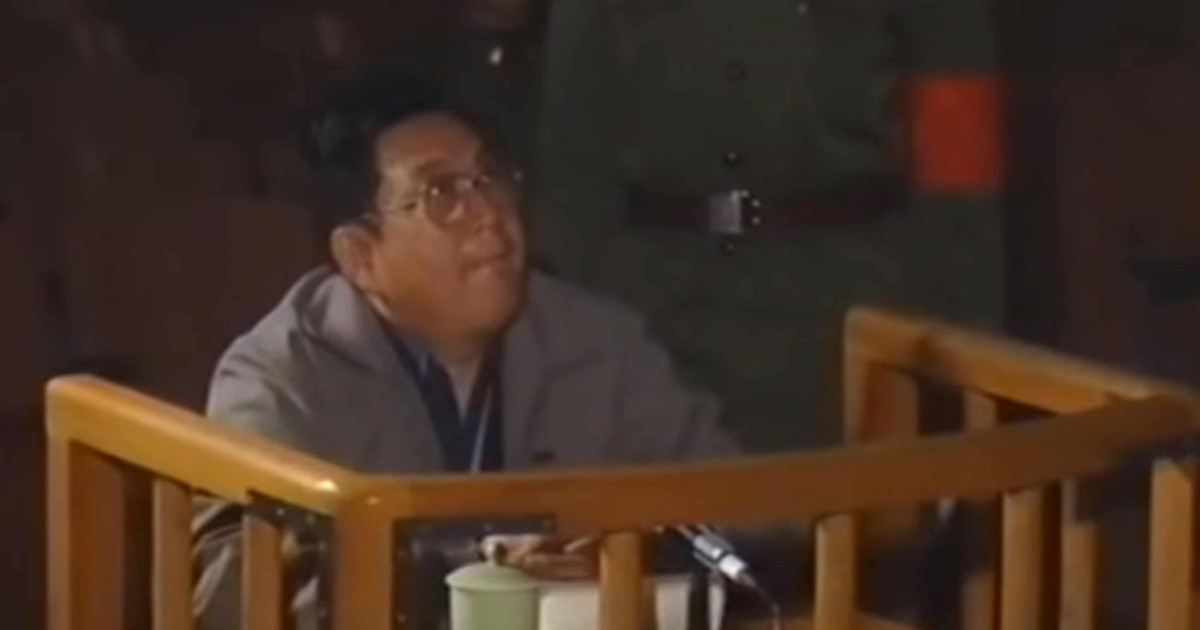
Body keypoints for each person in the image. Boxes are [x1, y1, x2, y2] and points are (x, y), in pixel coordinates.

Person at [194, 68, 740, 629]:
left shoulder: (600, 338)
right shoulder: (282, 375)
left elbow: (735, 509)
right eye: (441, 193)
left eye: (490, 177)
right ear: (360, 256)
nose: (489, 212)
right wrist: (466, 569)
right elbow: (233, 590)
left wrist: (636, 549)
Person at [526, 0, 1007, 453]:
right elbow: (572, 160)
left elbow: (959, 163)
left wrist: (960, 350)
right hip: (656, 319)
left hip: (848, 318)